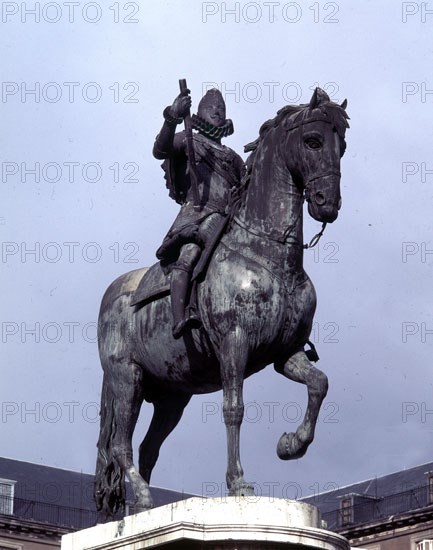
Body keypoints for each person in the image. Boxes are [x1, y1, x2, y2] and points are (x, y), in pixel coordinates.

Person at [153, 87, 245, 339]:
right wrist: (172, 116)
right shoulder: (188, 139)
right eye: (211, 108)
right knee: (189, 255)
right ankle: (180, 317)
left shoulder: (234, 159)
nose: (217, 111)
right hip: (197, 216)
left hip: (228, 220)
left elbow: (247, 188)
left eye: (222, 109)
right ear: (199, 112)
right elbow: (160, 150)